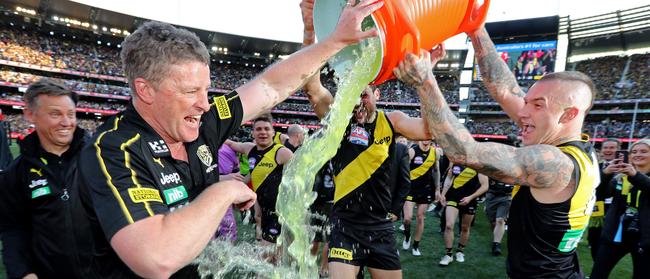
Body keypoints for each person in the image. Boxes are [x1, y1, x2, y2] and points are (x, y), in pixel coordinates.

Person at [74, 1, 385, 277]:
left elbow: (271, 86)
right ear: (145, 90)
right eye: (190, 92)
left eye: (205, 89)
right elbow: (157, 259)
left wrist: (334, 42)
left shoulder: (205, 121)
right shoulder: (114, 149)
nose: (204, 103)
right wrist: (222, 191)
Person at [392, 26, 599, 278]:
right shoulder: (577, 147)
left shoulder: (558, 164)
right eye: (526, 101)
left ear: (569, 114)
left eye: (536, 105)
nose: (523, 112)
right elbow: (504, 89)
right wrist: (476, 29)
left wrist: (425, 81)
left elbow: (465, 152)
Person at [301, 2, 433, 277]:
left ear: (377, 96)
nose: (358, 101)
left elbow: (429, 130)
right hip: (345, 225)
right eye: (353, 94)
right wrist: (310, 27)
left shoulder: (392, 121)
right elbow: (312, 87)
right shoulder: (338, 117)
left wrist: (425, 81)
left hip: (380, 227)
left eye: (364, 95)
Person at [0, 79, 89, 279]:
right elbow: (13, 229)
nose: (66, 122)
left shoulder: (101, 158)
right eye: (55, 114)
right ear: (30, 114)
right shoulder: (15, 173)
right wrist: (23, 272)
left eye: (71, 114)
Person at [226, 115, 293, 247]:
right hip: (263, 210)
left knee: (265, 253)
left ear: (273, 132)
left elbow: (301, 177)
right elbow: (231, 144)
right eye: (258, 129)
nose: (263, 132)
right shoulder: (249, 149)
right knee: (274, 258)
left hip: (279, 213)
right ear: (253, 132)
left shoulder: (282, 153)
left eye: (267, 129)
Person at [591, 139, 650, 279]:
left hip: (645, 237)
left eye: (644, 151)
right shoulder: (620, 176)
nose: (637, 154)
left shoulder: (631, 175)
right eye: (634, 151)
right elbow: (600, 194)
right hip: (616, 234)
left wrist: (635, 176)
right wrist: (605, 175)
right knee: (598, 274)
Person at [438, 164, 488, 265]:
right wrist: (443, 194)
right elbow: (449, 178)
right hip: (453, 197)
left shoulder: (478, 164)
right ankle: (448, 254)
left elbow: (485, 186)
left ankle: (460, 251)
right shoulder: (456, 161)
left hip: (470, 199)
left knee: (465, 227)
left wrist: (470, 197)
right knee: (449, 225)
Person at [402, 140, 441, 256]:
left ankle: (415, 245)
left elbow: (436, 171)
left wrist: (438, 189)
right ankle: (407, 236)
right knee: (407, 219)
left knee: (420, 218)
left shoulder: (435, 153)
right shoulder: (412, 151)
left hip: (426, 190)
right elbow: (403, 170)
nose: (426, 139)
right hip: (410, 189)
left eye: (428, 137)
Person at [588, 138, 619, 259]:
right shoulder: (595, 166)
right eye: (605, 148)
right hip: (597, 210)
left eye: (612, 148)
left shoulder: (627, 167)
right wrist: (605, 173)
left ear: (618, 150)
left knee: (610, 244)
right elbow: (592, 186)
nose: (608, 150)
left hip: (616, 210)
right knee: (594, 239)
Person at [216, 143, 245, 241]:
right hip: (204, 197)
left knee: (229, 232)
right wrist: (222, 178)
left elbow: (237, 172)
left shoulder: (229, 148)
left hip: (225, 197)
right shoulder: (194, 147)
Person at [484, 177, 513, 255]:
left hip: (506, 197)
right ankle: (496, 238)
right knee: (493, 223)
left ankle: (496, 245)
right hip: (491, 195)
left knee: (500, 220)